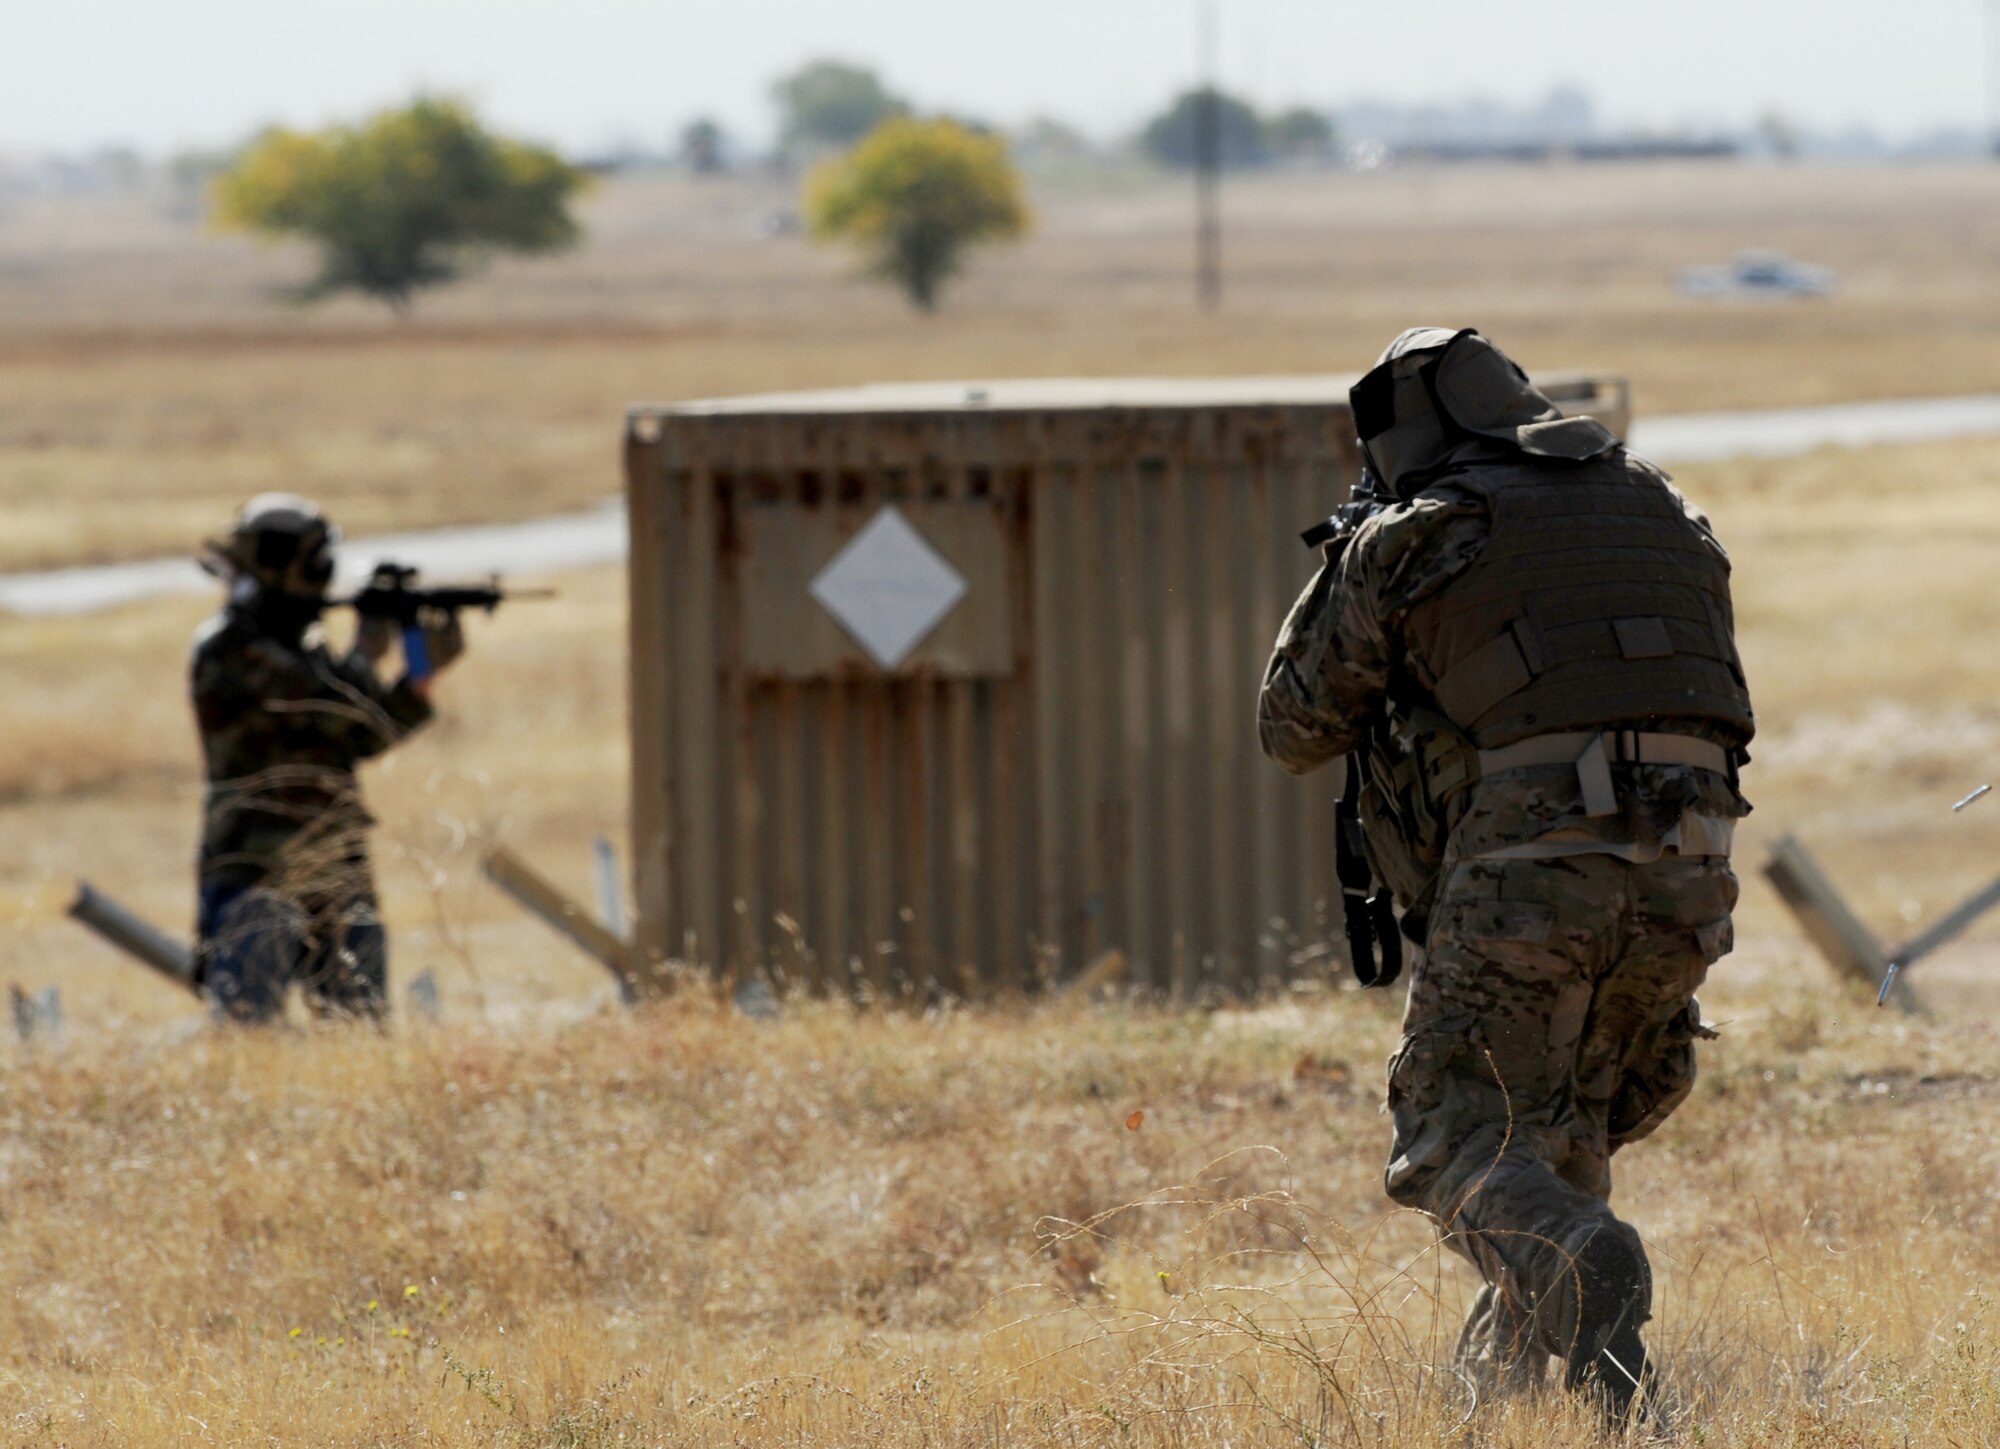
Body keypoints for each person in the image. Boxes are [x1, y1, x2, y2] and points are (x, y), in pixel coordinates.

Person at [1258, 329, 1753, 1419]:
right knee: (1558, 1132)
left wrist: (1350, 559)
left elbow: (1291, 725)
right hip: (1691, 860)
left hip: (1539, 862)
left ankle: (1579, 1265)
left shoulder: (1420, 530)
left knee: (1449, 1130)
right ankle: (1530, 1400)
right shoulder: (1660, 505)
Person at [190, 494, 465, 1021]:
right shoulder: (229, 651)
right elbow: (330, 705)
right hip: (256, 877)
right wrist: (365, 648)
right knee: (252, 1041)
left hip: (337, 870)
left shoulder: (304, 651)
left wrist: (420, 678)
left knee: (359, 1034)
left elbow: (360, 737)